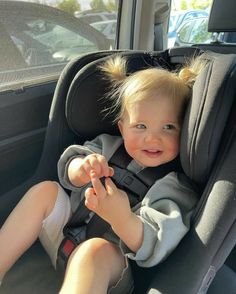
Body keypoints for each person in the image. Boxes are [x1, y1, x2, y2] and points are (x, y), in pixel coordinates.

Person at [0, 54, 206, 293]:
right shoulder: (108, 146)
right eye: (140, 126)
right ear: (122, 127)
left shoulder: (176, 186)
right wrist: (82, 168)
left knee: (94, 251)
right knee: (45, 190)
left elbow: (156, 244)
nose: (152, 138)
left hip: (112, 269)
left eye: (168, 127)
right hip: (67, 237)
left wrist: (122, 218)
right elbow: (69, 167)